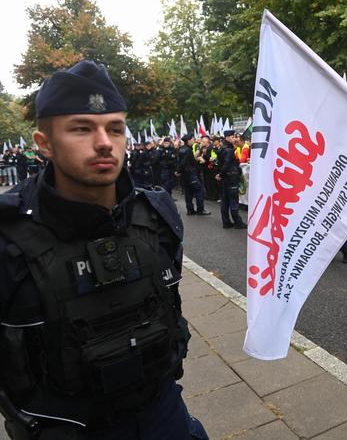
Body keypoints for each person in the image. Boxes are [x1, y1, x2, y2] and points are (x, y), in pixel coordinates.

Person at [0, 60, 208, 439]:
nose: (103, 142)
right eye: (81, 128)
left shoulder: (157, 215)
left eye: (115, 128)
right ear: (44, 144)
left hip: (162, 414)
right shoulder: (8, 239)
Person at [215, 130, 246, 229]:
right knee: (233, 201)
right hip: (230, 178)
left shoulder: (221, 149)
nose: (235, 139)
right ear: (227, 137)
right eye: (233, 137)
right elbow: (227, 164)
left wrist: (220, 174)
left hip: (225, 178)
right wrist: (220, 174)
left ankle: (226, 222)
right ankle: (237, 222)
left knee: (225, 202)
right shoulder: (228, 150)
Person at [176, 134, 210, 216]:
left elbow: (179, 161)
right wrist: (178, 170)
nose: (194, 140)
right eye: (192, 139)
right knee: (199, 190)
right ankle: (200, 209)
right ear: (188, 141)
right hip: (190, 174)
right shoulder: (187, 150)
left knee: (188, 192)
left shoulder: (181, 149)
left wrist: (178, 171)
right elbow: (183, 162)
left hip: (185, 175)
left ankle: (190, 210)